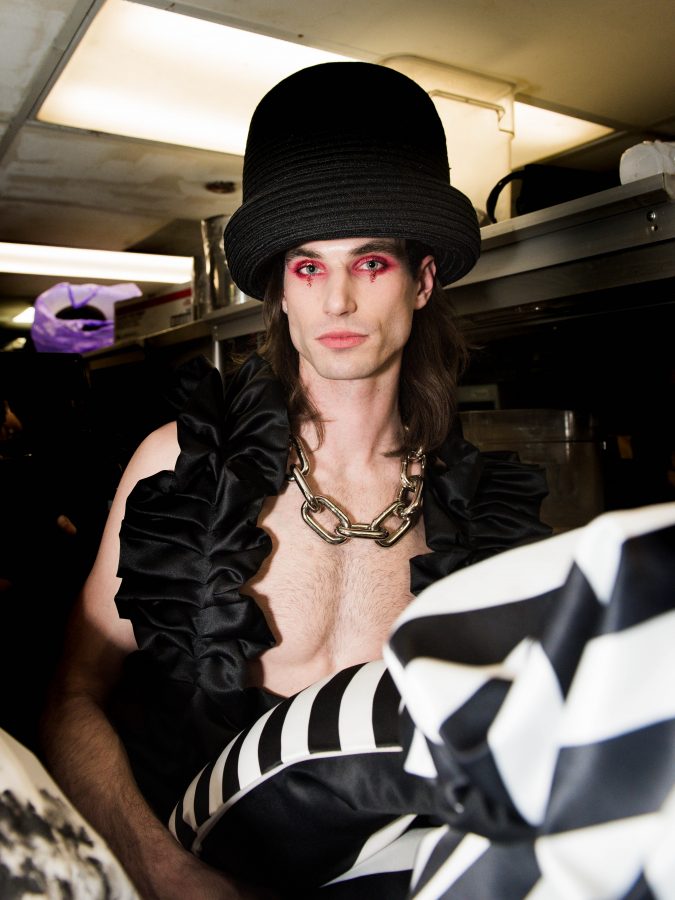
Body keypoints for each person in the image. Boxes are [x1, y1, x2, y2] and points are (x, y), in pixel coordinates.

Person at [40, 62, 551, 898]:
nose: (337, 301)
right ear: (280, 289)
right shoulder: (180, 470)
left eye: (370, 263)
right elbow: (70, 695)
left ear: (422, 280)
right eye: (308, 267)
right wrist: (163, 873)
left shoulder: (484, 515)